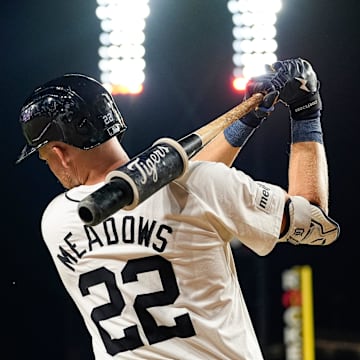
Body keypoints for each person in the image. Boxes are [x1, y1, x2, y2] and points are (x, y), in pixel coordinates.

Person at [16, 58, 339, 360]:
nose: (49, 164)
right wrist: (305, 111)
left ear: (59, 152)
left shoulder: (57, 220)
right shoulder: (202, 186)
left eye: (44, 157)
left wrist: (247, 121)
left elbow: (185, 186)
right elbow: (314, 224)